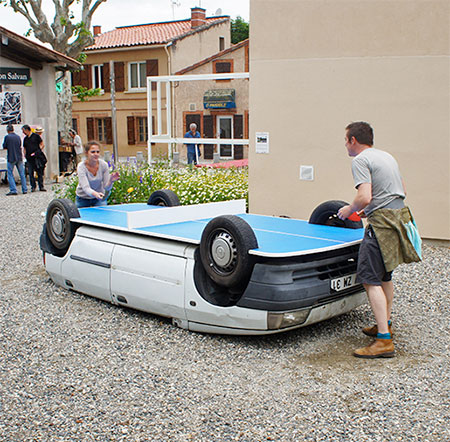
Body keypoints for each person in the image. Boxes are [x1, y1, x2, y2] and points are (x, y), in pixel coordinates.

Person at [337, 121, 421, 359]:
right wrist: (371, 207)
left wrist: (350, 209)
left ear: (353, 140)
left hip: (381, 225)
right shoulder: (386, 156)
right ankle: (386, 323)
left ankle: (383, 340)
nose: (345, 145)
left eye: (346, 140)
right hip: (398, 219)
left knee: (369, 279)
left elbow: (364, 195)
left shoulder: (360, 160)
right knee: (385, 276)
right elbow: (400, 187)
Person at [75, 140, 120, 208]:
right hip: (83, 199)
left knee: (102, 217)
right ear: (86, 153)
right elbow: (86, 187)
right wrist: (95, 194)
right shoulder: (81, 166)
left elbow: (106, 187)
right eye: (93, 152)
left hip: (99, 199)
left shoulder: (104, 165)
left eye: (98, 152)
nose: (96, 154)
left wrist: (110, 181)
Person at [3, 124, 28, 195]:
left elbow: (5, 146)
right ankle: (24, 189)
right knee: (22, 174)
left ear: (7, 130)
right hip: (19, 157)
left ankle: (13, 190)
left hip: (11, 157)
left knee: (10, 173)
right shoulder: (18, 137)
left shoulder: (7, 137)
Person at [22, 124, 46, 192]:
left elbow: (42, 144)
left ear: (27, 130)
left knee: (39, 172)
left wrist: (38, 151)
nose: (23, 132)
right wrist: (25, 154)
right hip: (29, 158)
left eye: (24, 131)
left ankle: (41, 186)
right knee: (30, 172)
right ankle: (33, 186)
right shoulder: (25, 139)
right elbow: (24, 147)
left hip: (37, 157)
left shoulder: (36, 136)